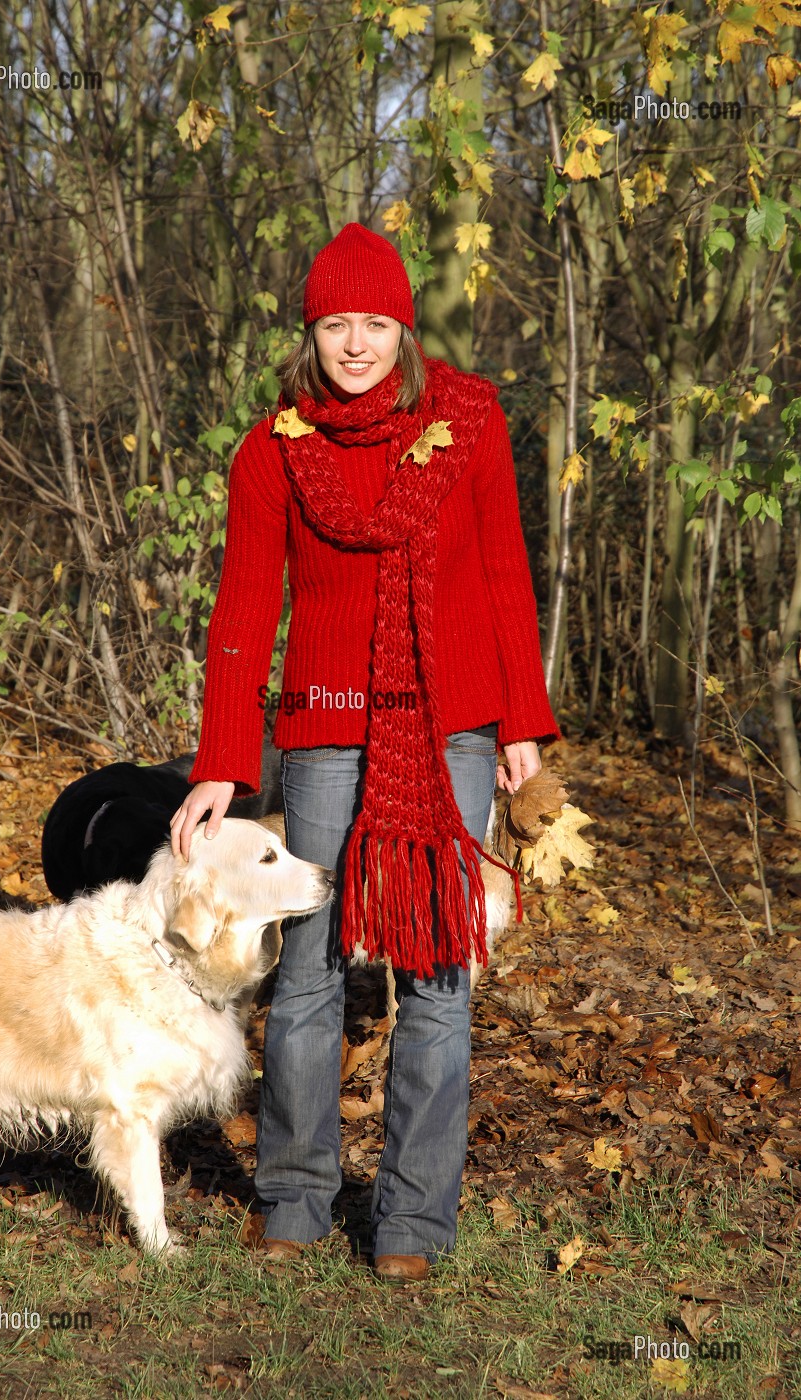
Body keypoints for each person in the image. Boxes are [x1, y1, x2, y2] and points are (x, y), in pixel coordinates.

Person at [171, 223, 559, 1282]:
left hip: (453, 726)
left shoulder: (466, 425)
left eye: (374, 322)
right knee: (303, 970)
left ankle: (410, 1223)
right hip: (325, 726)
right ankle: (293, 1194)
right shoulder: (275, 446)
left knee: (437, 975)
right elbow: (244, 608)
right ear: (312, 329)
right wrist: (220, 761)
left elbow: (502, 575)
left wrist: (520, 719)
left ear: (402, 324)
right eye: (335, 323)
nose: (355, 343)